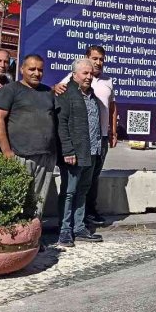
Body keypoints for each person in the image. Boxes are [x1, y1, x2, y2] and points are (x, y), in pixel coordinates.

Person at [54, 45, 117, 226]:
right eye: (95, 58)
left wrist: (112, 131)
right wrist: (54, 87)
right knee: (71, 188)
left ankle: (85, 216)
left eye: (101, 59)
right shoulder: (73, 80)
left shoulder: (107, 81)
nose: (98, 62)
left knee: (89, 181)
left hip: (100, 140)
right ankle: (66, 227)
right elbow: (59, 96)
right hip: (79, 143)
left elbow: (112, 106)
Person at [0, 54, 57, 218]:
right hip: (20, 155)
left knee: (38, 202)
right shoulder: (10, 90)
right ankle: (15, 240)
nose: (36, 73)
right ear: (22, 69)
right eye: (32, 69)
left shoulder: (47, 92)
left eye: (40, 70)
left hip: (45, 155)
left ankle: (34, 238)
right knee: (15, 201)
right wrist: (7, 152)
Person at [55, 58, 105, 247]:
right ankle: (65, 231)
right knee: (69, 192)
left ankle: (79, 227)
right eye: (85, 73)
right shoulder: (66, 93)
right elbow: (62, 125)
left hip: (91, 152)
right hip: (73, 154)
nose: (89, 76)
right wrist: (67, 150)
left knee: (82, 191)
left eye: (91, 73)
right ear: (74, 75)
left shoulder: (92, 95)